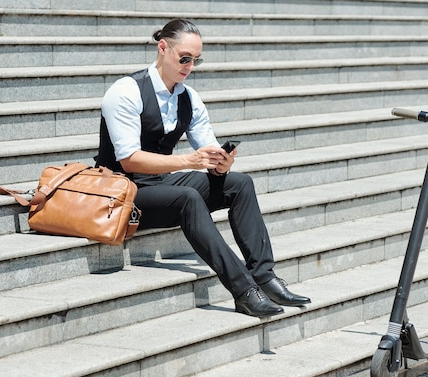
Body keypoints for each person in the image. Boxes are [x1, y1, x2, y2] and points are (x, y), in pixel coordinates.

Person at [95, 19, 311, 317]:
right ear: (163, 48)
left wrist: (221, 163)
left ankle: (264, 276)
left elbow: (207, 151)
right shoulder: (126, 91)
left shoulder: (189, 97)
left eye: (196, 60)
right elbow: (129, 159)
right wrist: (188, 161)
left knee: (240, 183)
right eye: (184, 58)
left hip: (159, 184)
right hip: (121, 194)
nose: (190, 66)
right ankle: (244, 290)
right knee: (187, 198)